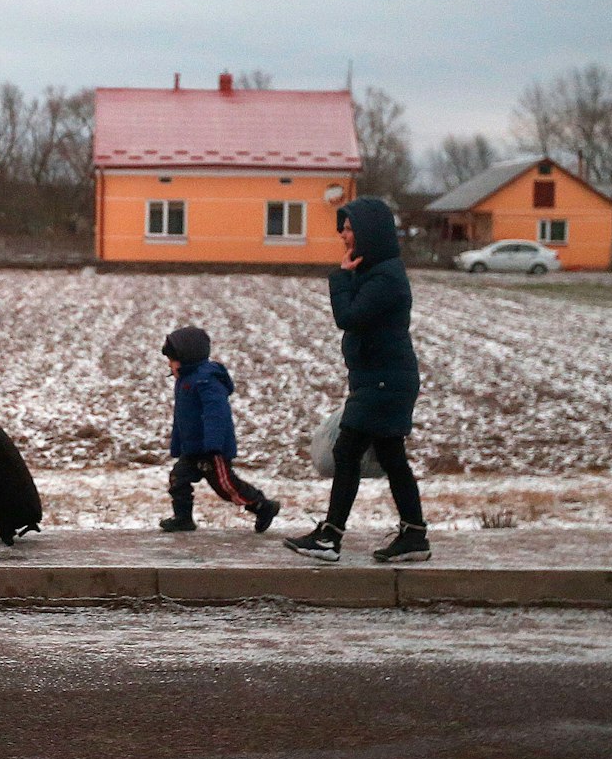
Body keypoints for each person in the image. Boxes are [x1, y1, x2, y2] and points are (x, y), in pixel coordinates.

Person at [285, 197, 430, 563]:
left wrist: (340, 275)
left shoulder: (385, 277)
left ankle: (331, 537)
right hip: (381, 379)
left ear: (369, 233)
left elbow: (348, 316)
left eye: (348, 228)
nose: (343, 235)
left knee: (347, 450)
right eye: (343, 228)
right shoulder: (378, 272)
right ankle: (414, 535)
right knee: (391, 456)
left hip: (384, 382)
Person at [158, 326, 280, 534]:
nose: (170, 366)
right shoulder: (184, 381)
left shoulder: (206, 380)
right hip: (192, 448)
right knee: (178, 479)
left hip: (210, 449)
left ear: (187, 357)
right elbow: (182, 418)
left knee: (226, 487)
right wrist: (178, 444)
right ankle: (183, 517)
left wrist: (213, 444)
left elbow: (216, 414)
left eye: (172, 360)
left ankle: (262, 506)